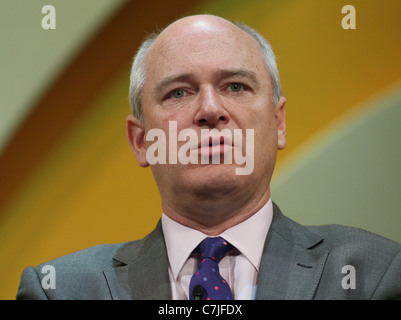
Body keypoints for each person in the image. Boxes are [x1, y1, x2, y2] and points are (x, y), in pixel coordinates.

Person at [16, 14, 401, 300]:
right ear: (141, 141)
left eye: (235, 86)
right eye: (179, 93)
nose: (210, 109)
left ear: (278, 123)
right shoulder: (60, 290)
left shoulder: (375, 274)